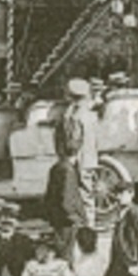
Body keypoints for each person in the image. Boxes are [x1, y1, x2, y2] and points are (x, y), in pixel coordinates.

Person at [56, 78, 100, 229]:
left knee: (81, 194)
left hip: (78, 159)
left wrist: (69, 155)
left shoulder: (74, 115)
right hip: (90, 158)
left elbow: (73, 140)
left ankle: (87, 226)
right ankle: (89, 225)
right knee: (87, 193)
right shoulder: (89, 114)